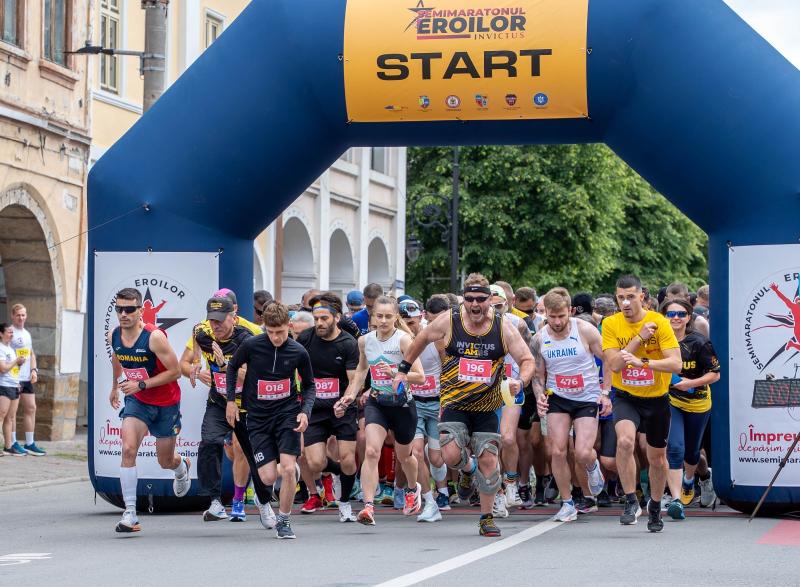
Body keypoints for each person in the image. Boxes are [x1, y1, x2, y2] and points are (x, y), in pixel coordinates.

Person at [392, 273, 534, 537]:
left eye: (481, 299)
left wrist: (520, 381)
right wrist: (402, 371)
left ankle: (486, 517)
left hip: (487, 404)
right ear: (464, 300)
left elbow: (527, 359)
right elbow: (420, 339)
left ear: (490, 300)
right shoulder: (450, 321)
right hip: (454, 401)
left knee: (490, 461)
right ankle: (467, 469)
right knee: (449, 456)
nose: (475, 304)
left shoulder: (502, 327)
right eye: (469, 299)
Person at [181, 295, 276, 527]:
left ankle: (264, 504)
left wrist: (226, 366)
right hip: (220, 401)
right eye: (212, 321)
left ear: (233, 317)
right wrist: (194, 367)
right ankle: (214, 501)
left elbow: (258, 377)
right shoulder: (202, 333)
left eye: (221, 321)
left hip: (249, 406)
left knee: (254, 457)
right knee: (209, 442)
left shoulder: (249, 339)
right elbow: (185, 362)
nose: (216, 326)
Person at [226, 301, 316, 539]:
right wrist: (230, 401)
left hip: (287, 414)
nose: (276, 337)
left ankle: (284, 520)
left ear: (290, 325)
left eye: (281, 332)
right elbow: (232, 366)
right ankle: (267, 488)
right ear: (264, 327)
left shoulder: (298, 352)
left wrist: (305, 411)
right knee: (266, 477)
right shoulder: (252, 345)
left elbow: (309, 386)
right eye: (271, 332)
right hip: (257, 418)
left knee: (287, 469)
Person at [335, 296, 426, 525]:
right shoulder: (365, 341)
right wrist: (348, 396)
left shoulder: (404, 340)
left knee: (405, 456)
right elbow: (361, 371)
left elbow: (421, 377)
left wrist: (395, 373)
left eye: (388, 316)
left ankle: (412, 489)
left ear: (396, 317)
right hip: (377, 402)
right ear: (372, 317)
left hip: (402, 404)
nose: (383, 320)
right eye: (379, 316)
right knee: (371, 451)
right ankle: (368, 507)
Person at [602, 275, 681, 532]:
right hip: (626, 395)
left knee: (656, 457)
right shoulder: (611, 323)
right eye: (620, 298)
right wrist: (638, 340)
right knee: (625, 441)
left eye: (630, 297)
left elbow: (676, 364)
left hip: (656, 398)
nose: (625, 303)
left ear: (642, 297)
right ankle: (630, 501)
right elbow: (614, 364)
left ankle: (655, 506)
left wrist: (644, 363)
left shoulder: (659, 322)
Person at [108, 288, 190, 533]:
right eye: (119, 309)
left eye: (129, 309)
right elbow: (117, 358)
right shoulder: (116, 334)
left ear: (140, 310)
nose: (123, 314)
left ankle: (181, 466)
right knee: (128, 448)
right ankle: (130, 513)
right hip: (138, 402)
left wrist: (141, 383)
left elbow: (175, 372)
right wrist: (115, 387)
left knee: (164, 460)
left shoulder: (154, 337)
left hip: (165, 403)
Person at [531, 288, 611, 522]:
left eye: (561, 316)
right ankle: (567, 503)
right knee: (556, 451)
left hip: (586, 396)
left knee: (583, 452)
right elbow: (538, 375)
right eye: (551, 317)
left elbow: (607, 361)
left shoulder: (585, 330)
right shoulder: (539, 338)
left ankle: (592, 466)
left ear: (570, 311)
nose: (556, 322)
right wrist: (539, 396)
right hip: (558, 397)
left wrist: (605, 393)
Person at [296, 292, 361, 522]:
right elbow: (293, 366)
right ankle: (340, 473)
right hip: (315, 408)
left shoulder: (348, 343)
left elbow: (354, 379)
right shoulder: (305, 338)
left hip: (341, 407)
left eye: (324, 318)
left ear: (336, 318)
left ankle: (344, 504)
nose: (319, 323)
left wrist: (346, 400)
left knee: (348, 459)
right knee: (315, 462)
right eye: (316, 319)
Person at [661, 298, 720, 520]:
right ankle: (677, 498)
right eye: (670, 314)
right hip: (671, 401)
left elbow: (715, 374)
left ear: (688, 318)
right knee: (675, 448)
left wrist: (690, 383)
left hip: (698, 401)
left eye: (680, 314)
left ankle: (701, 477)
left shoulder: (700, 342)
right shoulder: (659, 341)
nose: (675, 318)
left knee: (692, 453)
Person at [401, 298, 448, 522]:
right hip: (416, 403)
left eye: (413, 322)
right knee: (417, 452)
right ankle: (430, 502)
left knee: (438, 458)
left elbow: (448, 368)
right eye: (406, 323)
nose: (410, 327)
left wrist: (447, 400)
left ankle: (450, 484)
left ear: (421, 317)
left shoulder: (434, 339)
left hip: (437, 402)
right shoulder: (402, 342)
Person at [9, 304, 44, 456]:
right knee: (13, 412)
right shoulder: (9, 333)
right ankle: (13, 442)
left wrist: (34, 370)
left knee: (31, 408)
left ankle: (29, 443)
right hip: (13, 377)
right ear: (12, 316)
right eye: (18, 315)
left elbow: (31, 354)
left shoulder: (27, 333)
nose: (21, 318)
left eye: (23, 315)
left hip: (27, 378)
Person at [1, 323, 26, 456]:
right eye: (9, 332)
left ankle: (8, 446)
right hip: (4, 385)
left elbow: (12, 368)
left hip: (13, 385)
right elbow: (3, 368)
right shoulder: (1, 348)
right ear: (1, 333)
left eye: (12, 332)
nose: (12, 334)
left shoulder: (10, 348)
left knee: (10, 418)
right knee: (1, 416)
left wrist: (19, 365)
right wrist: (16, 361)